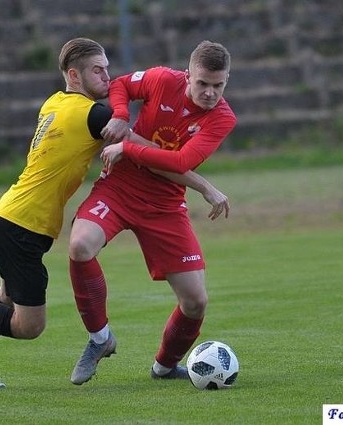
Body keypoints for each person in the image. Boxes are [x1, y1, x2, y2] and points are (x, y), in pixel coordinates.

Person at [0, 37, 116, 389]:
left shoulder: (54, 103)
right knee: (29, 325)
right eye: (97, 70)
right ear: (74, 75)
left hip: (14, 216)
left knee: (5, 297)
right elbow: (130, 138)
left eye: (108, 68)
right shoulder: (93, 114)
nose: (108, 76)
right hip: (22, 225)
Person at [68, 40, 237, 385]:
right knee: (80, 246)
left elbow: (180, 162)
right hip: (120, 187)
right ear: (187, 74)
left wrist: (127, 145)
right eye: (202, 83)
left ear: (227, 81)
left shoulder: (222, 118)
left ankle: (164, 367)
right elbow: (120, 85)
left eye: (218, 85)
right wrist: (119, 115)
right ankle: (100, 339)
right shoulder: (162, 79)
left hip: (165, 204)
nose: (209, 93)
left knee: (195, 302)